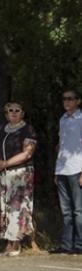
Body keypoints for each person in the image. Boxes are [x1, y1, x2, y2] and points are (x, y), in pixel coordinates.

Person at [0, 102, 37, 256]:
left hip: (20, 174)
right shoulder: (0, 129)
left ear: (22, 113)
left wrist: (6, 163)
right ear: (6, 114)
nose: (13, 113)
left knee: (17, 209)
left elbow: (27, 153)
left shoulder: (27, 129)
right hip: (3, 175)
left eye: (17, 110)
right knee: (4, 209)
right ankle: (8, 244)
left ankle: (15, 244)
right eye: (10, 110)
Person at [54, 90, 82, 254]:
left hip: (77, 168)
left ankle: (79, 245)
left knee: (78, 210)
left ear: (78, 101)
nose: (66, 102)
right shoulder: (62, 120)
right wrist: (56, 171)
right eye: (64, 99)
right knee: (66, 211)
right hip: (62, 169)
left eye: (70, 99)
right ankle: (67, 245)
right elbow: (61, 146)